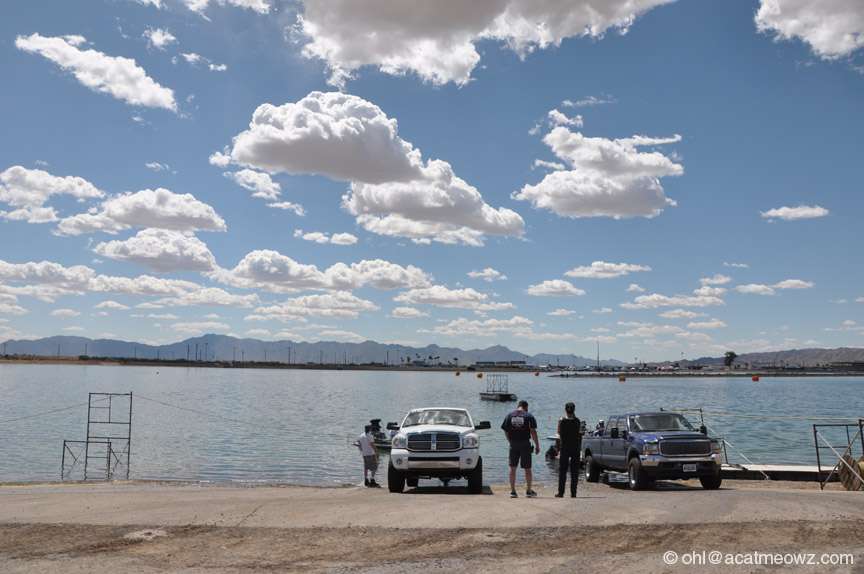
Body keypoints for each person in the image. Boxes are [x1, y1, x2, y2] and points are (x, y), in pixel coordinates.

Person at [501, 399, 540, 498]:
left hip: (513, 443)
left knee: (512, 468)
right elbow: (533, 431)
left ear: (518, 406)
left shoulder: (510, 415)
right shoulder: (528, 416)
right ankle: (528, 491)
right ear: (526, 407)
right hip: (525, 443)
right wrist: (537, 446)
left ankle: (513, 491)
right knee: (527, 468)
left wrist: (510, 441)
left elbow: (505, 431)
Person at [555, 402, 582, 498]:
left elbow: (559, 431)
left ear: (565, 409)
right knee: (574, 471)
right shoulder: (577, 421)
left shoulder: (561, 420)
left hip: (565, 447)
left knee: (563, 471)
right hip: (575, 447)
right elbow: (578, 432)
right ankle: (573, 493)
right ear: (574, 410)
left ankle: (561, 492)